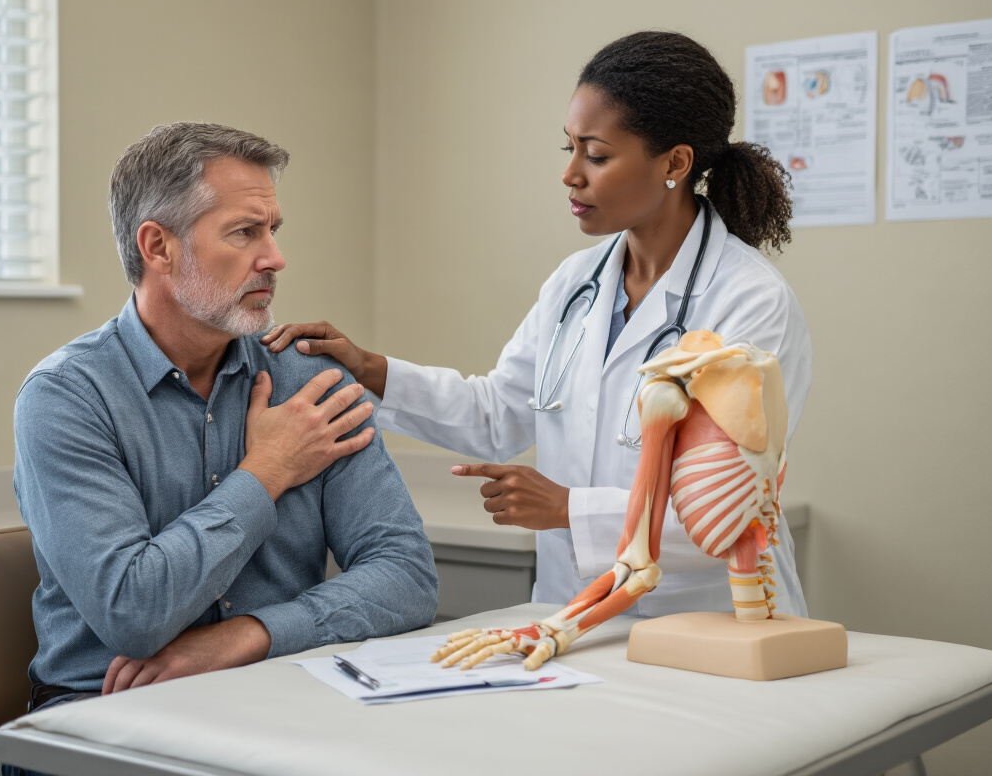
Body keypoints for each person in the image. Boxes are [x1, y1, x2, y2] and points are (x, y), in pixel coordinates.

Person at [262, 31, 812, 620]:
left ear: (675, 163)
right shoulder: (577, 284)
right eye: (569, 149)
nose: (571, 174)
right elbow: (498, 413)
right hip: (571, 619)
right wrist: (368, 368)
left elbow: (729, 509)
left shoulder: (749, 301)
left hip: (703, 627)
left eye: (596, 155)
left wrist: (568, 510)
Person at [11, 123, 438, 731]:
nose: (275, 258)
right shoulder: (67, 398)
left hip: (279, 695)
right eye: (244, 232)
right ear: (158, 247)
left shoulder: (309, 380)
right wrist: (265, 471)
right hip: (106, 715)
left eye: (273, 230)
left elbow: (408, 576)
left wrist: (251, 634)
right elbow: (134, 614)